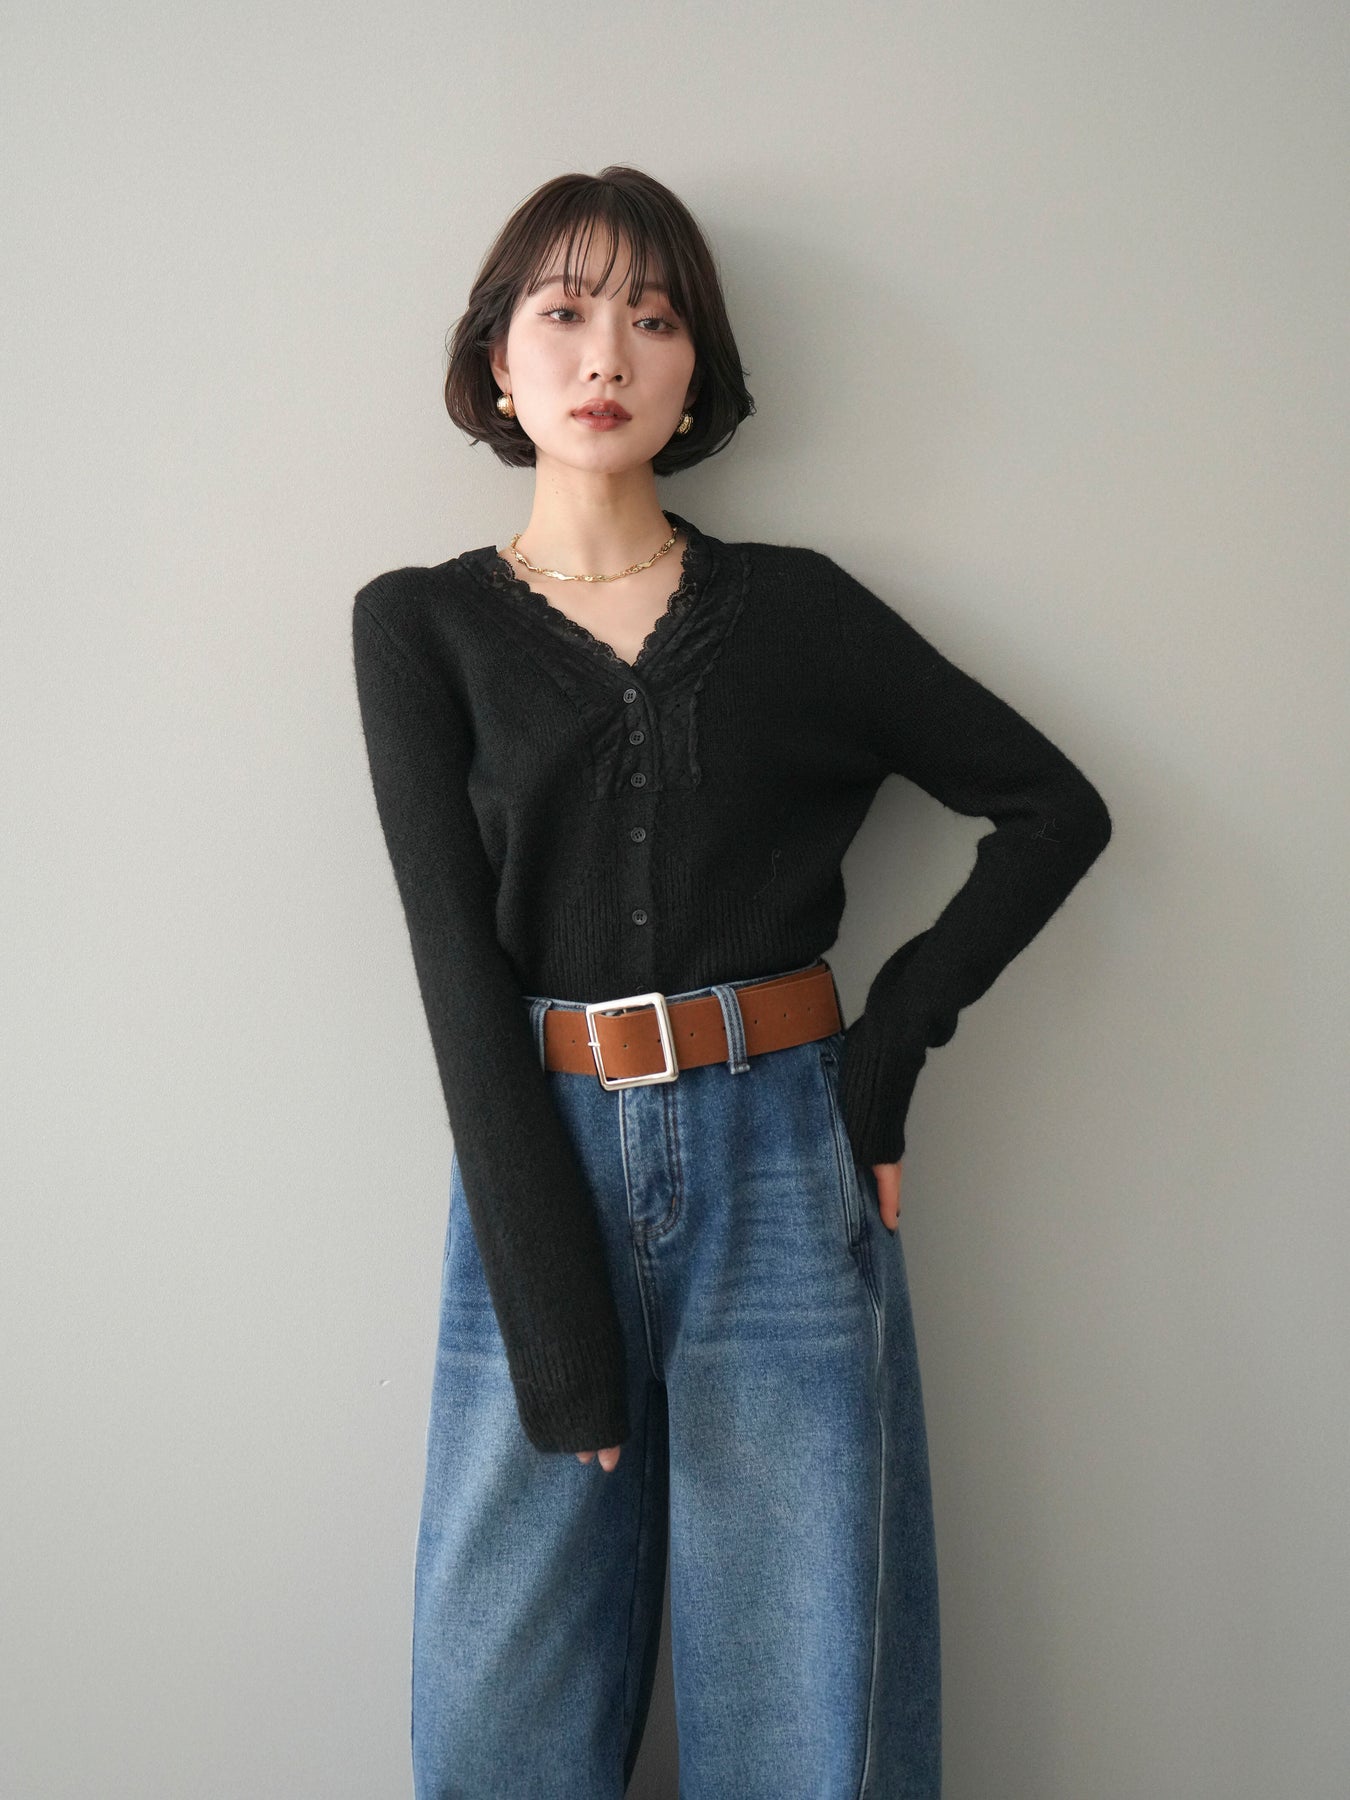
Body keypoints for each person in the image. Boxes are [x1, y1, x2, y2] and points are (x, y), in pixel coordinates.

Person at [351, 164, 1111, 1800]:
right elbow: (455, 979)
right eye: (562, 312)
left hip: (784, 1162)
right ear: (495, 360)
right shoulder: (419, 628)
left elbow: (1054, 811)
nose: (604, 352)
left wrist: (885, 1055)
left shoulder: (799, 611)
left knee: (803, 1720)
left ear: (696, 371)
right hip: (538, 1163)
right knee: (495, 1729)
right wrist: (561, 1336)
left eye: (653, 316)